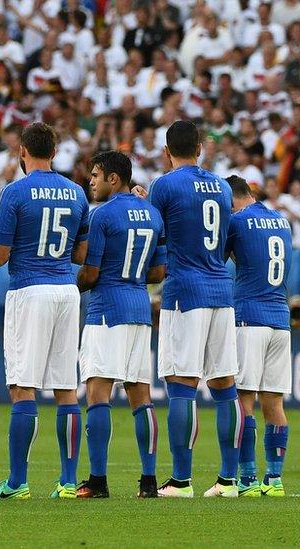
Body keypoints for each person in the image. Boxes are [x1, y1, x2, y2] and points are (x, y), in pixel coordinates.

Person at [0, 122, 89, 500]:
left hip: (30, 289)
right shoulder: (76, 192)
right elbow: (80, 253)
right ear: (55, 152)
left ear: (22, 152)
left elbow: (0, 258)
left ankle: (17, 482)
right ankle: (68, 481)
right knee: (66, 389)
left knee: (22, 386)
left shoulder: (15, 192)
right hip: (66, 289)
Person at [148, 120, 240, 498]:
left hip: (186, 290)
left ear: (166, 152)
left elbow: (154, 235)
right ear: (200, 149)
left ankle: (182, 480)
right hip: (222, 289)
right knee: (224, 385)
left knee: (182, 385)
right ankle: (229, 481)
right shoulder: (220, 185)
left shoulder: (165, 184)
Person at [75, 151, 166, 499]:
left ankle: (97, 481)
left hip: (106, 310)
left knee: (98, 393)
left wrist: (74, 285)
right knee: (140, 396)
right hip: (139, 310)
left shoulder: (102, 216)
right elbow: (158, 272)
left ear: (115, 178)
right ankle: (149, 482)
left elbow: (92, 273)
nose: (91, 182)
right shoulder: (153, 214)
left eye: (96, 175)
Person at [225, 175, 291, 497]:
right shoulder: (282, 221)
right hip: (281, 319)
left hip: (250, 316)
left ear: (232, 200)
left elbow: (219, 258)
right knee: (274, 401)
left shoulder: (237, 222)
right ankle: (274, 480)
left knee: (244, 399)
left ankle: (248, 478)